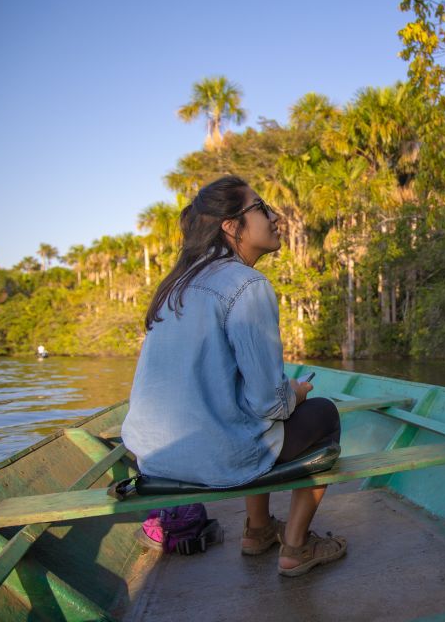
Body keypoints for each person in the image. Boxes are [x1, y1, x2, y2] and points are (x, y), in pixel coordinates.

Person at [122, 175, 345, 577]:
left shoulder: (176, 284)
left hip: (151, 459)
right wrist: (295, 393)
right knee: (325, 415)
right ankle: (296, 546)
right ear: (231, 226)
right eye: (261, 208)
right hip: (214, 459)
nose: (275, 217)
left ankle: (258, 531)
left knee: (256, 416)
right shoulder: (247, 284)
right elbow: (267, 403)